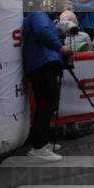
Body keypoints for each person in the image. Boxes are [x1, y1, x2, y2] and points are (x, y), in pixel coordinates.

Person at [22, 9, 70, 160]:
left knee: (47, 104)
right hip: (43, 63)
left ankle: (42, 142)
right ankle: (39, 147)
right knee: (47, 104)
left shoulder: (35, 15)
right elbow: (43, 31)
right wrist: (60, 47)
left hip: (42, 63)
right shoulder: (37, 14)